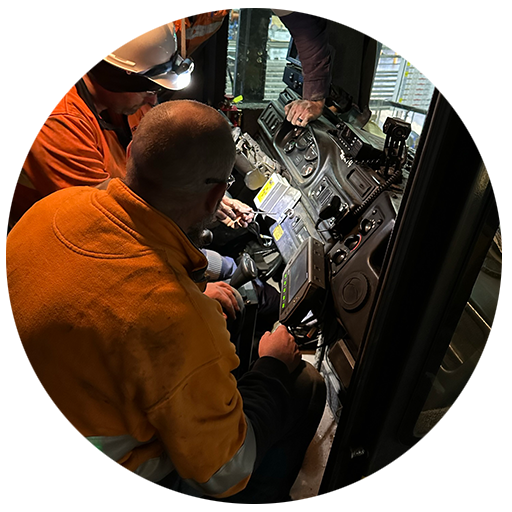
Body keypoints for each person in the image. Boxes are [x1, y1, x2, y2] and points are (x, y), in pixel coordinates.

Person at [6, 100, 326, 503]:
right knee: (304, 385)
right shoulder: (178, 321)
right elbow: (225, 472)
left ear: (130, 157)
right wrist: (271, 368)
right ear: (216, 197)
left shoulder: (52, 208)